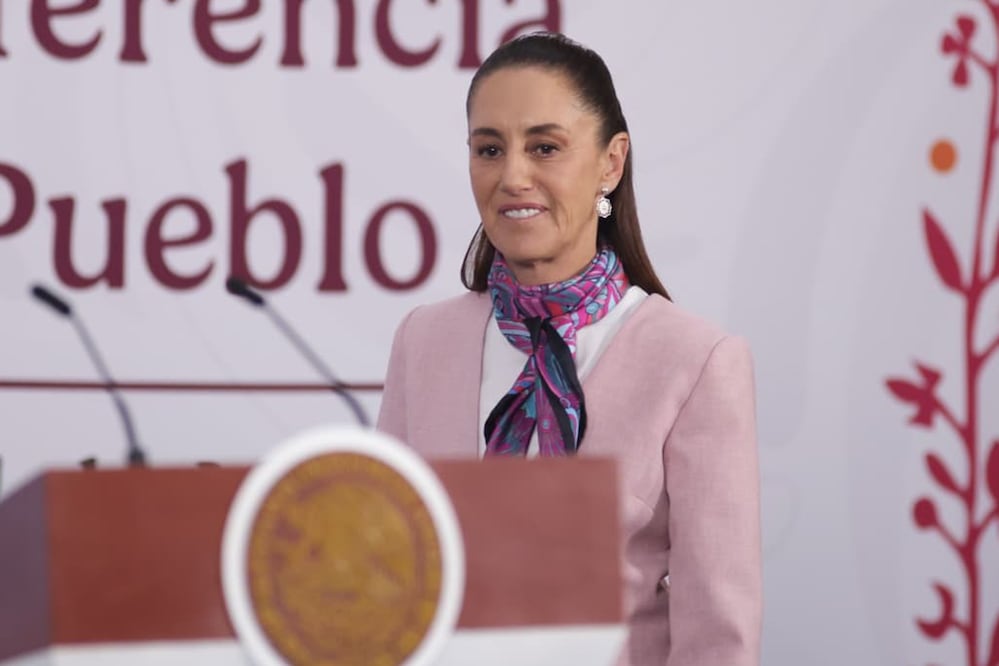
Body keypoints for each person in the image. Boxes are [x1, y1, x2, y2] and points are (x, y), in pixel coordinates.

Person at [377, 32, 761, 666]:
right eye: (489, 149)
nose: (512, 177)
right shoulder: (424, 340)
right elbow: (385, 577)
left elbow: (718, 636)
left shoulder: (695, 361)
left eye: (545, 147)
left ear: (611, 163)